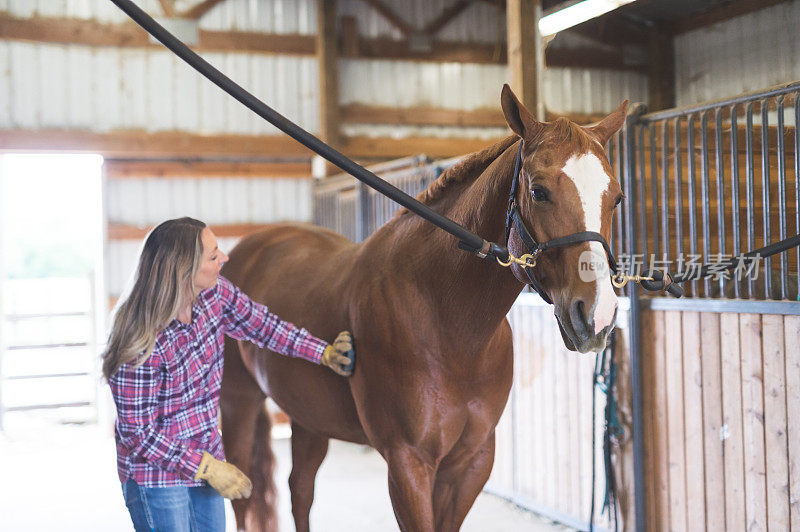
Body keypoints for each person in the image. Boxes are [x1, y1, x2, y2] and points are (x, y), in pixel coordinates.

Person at [101, 217, 353, 532]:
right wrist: (206, 468)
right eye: (213, 254)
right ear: (184, 270)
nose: (225, 258)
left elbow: (265, 326)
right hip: (157, 477)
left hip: (205, 457)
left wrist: (323, 352)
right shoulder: (137, 341)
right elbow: (138, 434)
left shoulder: (214, 295)